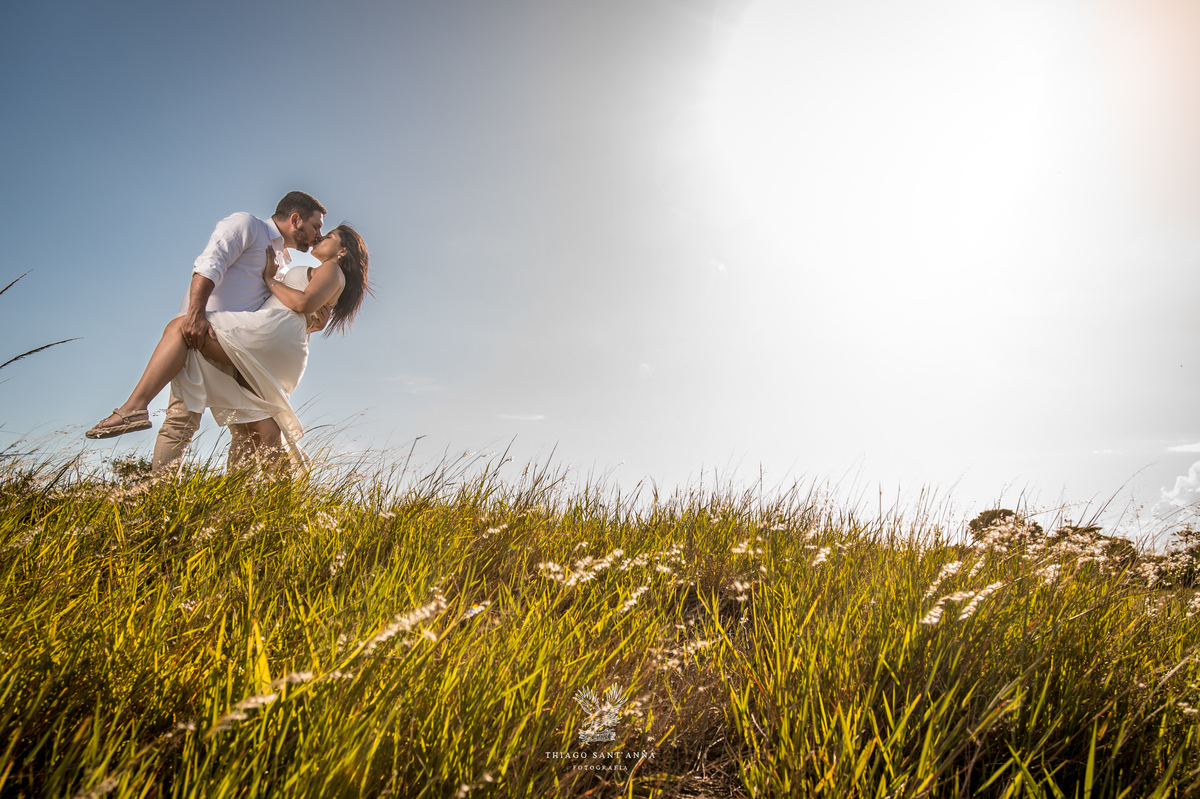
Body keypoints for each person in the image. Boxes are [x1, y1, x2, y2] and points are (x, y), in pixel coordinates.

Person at [86, 223, 372, 470]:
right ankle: (265, 491)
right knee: (255, 419)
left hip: (269, 336)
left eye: (329, 235)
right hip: (277, 342)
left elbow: (302, 303)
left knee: (181, 326)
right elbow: (308, 310)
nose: (320, 237)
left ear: (342, 250)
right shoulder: (318, 270)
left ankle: (135, 407)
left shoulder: (332, 270)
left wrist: (270, 279)